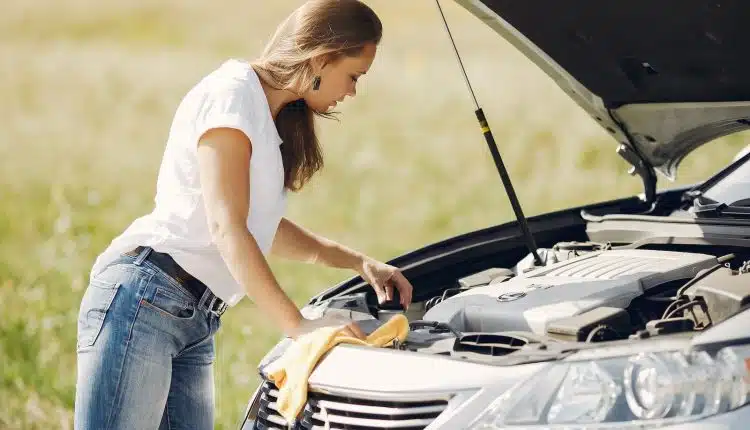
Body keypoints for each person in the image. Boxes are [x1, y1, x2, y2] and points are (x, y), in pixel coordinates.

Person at [74, 1, 414, 428]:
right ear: (323, 57)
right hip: (145, 301)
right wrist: (298, 326)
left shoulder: (269, 116)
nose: (352, 91)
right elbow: (227, 227)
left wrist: (359, 263)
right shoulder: (232, 94)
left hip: (195, 319)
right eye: (354, 75)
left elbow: (261, 229)